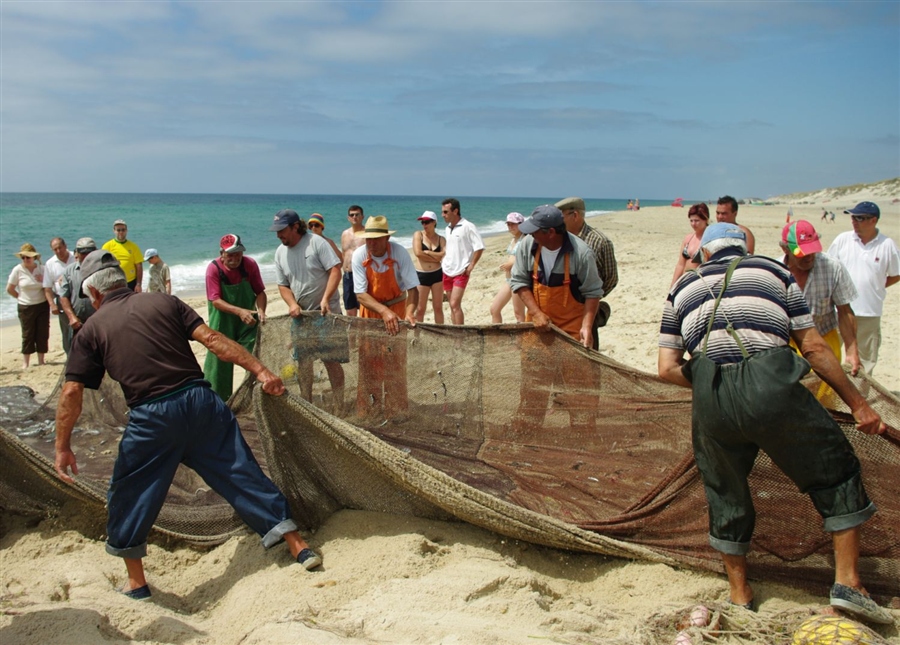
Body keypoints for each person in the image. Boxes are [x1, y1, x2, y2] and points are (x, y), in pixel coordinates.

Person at [54, 250, 322, 601]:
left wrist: (62, 445)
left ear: (92, 294)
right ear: (125, 281)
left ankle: (137, 583)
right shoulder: (165, 302)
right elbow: (212, 341)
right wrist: (262, 371)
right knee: (240, 471)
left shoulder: (91, 330)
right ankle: (298, 546)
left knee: (130, 492)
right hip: (201, 404)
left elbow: (72, 391)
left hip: (153, 417)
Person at [657, 223, 891, 625]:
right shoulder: (773, 272)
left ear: (706, 254)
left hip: (710, 397)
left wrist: (715, 384)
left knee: (724, 489)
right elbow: (814, 347)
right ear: (744, 250)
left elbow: (666, 369)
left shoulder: (681, 289)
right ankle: (849, 584)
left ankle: (739, 593)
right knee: (836, 470)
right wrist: (858, 405)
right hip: (772, 390)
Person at [271, 209, 347, 411]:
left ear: (296, 226)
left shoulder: (316, 243)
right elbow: (283, 285)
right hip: (301, 317)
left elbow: (335, 270)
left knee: (331, 361)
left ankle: (340, 405)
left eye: (282, 230)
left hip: (327, 314)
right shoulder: (280, 252)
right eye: (277, 231)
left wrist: (325, 299)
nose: (279, 235)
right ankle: (307, 404)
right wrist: (292, 304)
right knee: (304, 362)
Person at [351, 216, 419, 418]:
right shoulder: (358, 255)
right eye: (368, 239)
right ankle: (370, 409)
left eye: (376, 239)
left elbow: (413, 289)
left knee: (394, 360)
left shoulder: (399, 253)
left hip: (397, 309)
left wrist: (408, 313)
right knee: (369, 361)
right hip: (370, 312)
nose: (371, 243)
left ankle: (395, 409)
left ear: (386, 238)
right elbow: (361, 294)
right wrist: (383, 311)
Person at [779, 220, 861, 381]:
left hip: (825, 341)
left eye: (812, 250)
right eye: (801, 252)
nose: (809, 257)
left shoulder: (832, 267)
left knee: (826, 400)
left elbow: (845, 311)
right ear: (785, 249)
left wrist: (852, 351)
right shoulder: (775, 271)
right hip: (786, 346)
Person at [827, 202, 900, 376]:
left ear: (873, 220)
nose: (854, 221)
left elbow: (896, 274)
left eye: (860, 218)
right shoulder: (843, 240)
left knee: (866, 360)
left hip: (869, 312)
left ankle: (860, 397)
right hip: (839, 310)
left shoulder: (887, 245)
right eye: (853, 217)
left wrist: (875, 286)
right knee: (829, 353)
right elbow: (827, 267)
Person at [204, 234, 267, 401]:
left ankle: (253, 398)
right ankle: (217, 403)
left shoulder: (249, 265)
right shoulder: (213, 269)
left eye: (238, 253)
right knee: (219, 367)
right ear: (221, 254)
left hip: (248, 324)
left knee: (254, 360)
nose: (235, 258)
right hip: (222, 324)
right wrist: (240, 312)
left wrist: (261, 310)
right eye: (230, 254)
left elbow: (260, 292)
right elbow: (216, 301)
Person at [555, 196, 617, 341]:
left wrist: (590, 300)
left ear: (574, 215)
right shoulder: (558, 239)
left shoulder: (599, 241)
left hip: (586, 311)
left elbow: (611, 278)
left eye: (560, 217)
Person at [440, 198, 484, 325]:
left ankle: (460, 336)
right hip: (447, 270)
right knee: (451, 305)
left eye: (445, 212)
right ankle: (455, 333)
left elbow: (479, 247)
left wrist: (471, 265)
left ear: (455, 211)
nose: (443, 215)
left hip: (461, 271)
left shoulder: (468, 226)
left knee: (455, 304)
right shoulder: (448, 228)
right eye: (442, 212)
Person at [6, 243, 49, 369]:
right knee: (27, 334)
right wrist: (19, 297)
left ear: (34, 257)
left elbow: (49, 286)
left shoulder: (42, 269)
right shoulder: (18, 270)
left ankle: (41, 360)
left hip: (42, 304)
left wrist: (43, 280)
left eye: (28, 257)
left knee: (42, 333)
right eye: (23, 257)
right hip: (25, 306)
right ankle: (26, 362)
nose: (25, 260)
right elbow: (10, 288)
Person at [58, 237, 98, 344]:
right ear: (77, 253)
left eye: (89, 252)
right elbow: (63, 296)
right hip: (78, 321)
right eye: (82, 252)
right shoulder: (69, 271)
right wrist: (71, 317)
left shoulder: (103, 269)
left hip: (98, 320)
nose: (86, 256)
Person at [489, 212, 526, 324]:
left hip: (519, 280)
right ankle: (496, 338)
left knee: (519, 314)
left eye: (513, 224)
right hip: (509, 280)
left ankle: (523, 340)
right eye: (508, 224)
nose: (510, 227)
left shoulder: (525, 239)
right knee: (494, 309)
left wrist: (511, 264)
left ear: (521, 224)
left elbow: (525, 258)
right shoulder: (514, 239)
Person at [42, 237, 76, 354]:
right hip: (61, 299)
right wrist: (52, 305)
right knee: (66, 329)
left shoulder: (76, 257)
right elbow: (47, 287)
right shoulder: (50, 264)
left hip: (78, 297)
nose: (58, 251)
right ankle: (69, 356)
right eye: (54, 249)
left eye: (59, 248)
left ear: (65, 246)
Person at [411, 210, 446, 324]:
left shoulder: (441, 239)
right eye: (423, 222)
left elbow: (444, 256)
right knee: (420, 309)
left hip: (437, 274)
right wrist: (437, 257)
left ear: (434, 222)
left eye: (427, 222)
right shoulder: (418, 235)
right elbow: (418, 253)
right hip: (422, 275)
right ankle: (418, 335)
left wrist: (429, 252)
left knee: (438, 308)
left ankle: (441, 333)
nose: (424, 225)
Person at [671, 203, 710, 286]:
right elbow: (680, 264)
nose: (693, 224)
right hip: (684, 281)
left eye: (697, 221)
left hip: (700, 283)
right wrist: (673, 285)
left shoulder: (709, 239)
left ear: (706, 220)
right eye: (691, 221)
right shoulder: (688, 238)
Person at [340, 205, 366, 316]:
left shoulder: (367, 234)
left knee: (364, 308)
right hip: (347, 276)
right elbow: (343, 254)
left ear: (362, 216)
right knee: (350, 309)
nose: (354, 217)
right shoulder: (345, 234)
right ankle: (353, 334)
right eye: (352, 215)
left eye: (357, 214)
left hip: (361, 275)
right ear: (348, 218)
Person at [102, 219, 143, 292]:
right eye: (118, 230)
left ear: (126, 231)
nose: (121, 232)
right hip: (114, 283)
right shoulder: (107, 246)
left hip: (131, 282)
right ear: (114, 231)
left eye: (123, 230)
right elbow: (103, 266)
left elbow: (139, 266)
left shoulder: (133, 246)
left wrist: (138, 284)